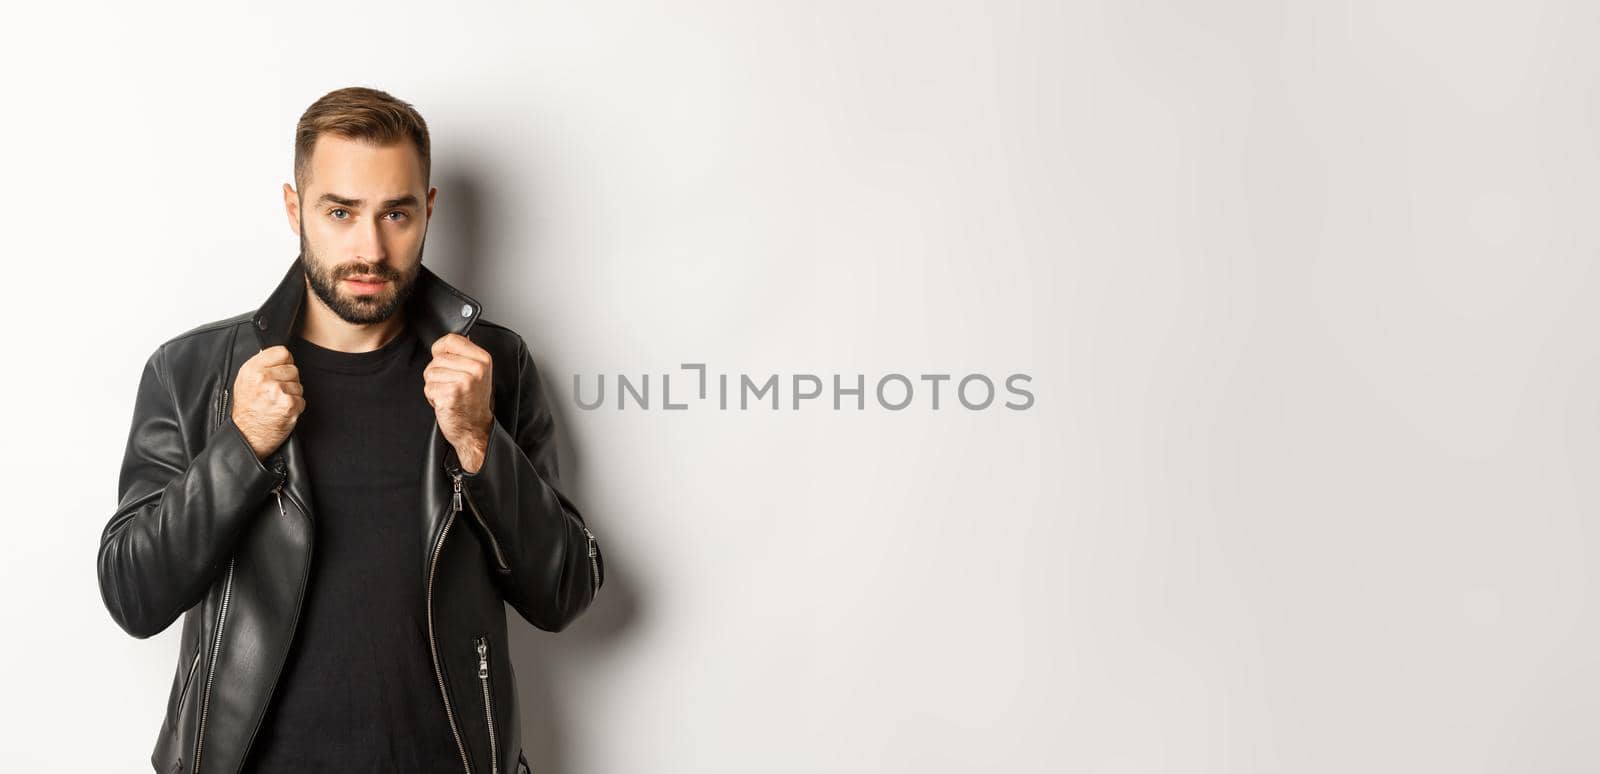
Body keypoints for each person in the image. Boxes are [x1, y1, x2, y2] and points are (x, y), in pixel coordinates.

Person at [96, 86, 604, 774]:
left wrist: (481, 443)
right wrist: (240, 445)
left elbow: (563, 593)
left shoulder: (493, 369)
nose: (370, 247)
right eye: (340, 212)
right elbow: (134, 595)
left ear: (427, 210)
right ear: (293, 208)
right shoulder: (194, 373)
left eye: (395, 213)